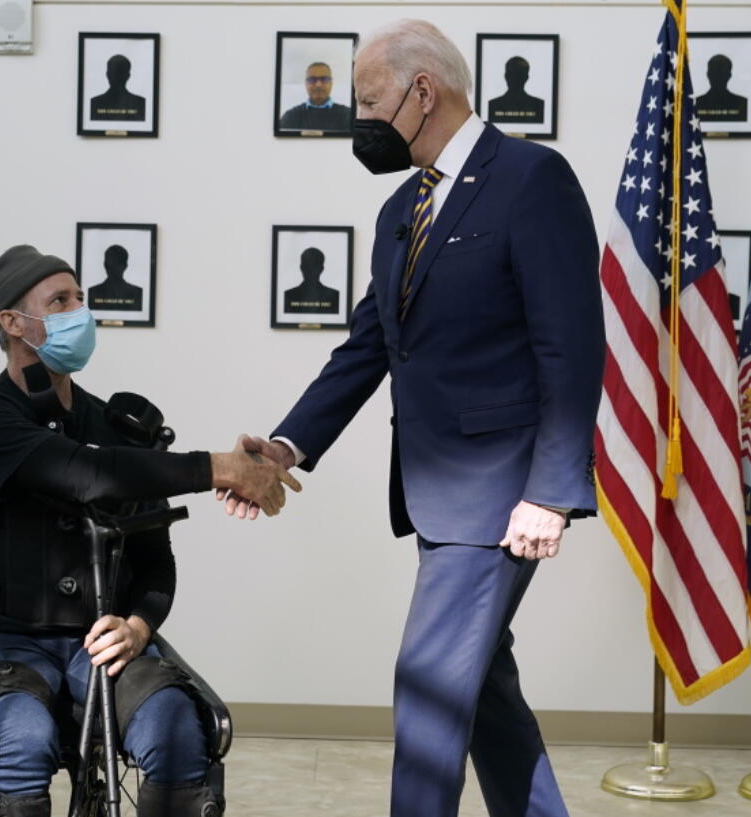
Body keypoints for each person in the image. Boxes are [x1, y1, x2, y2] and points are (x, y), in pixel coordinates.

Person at [225, 20, 603, 817]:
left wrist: (552, 491)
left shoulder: (533, 179)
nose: (358, 119)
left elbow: (571, 348)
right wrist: (286, 447)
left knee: (429, 686)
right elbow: (371, 343)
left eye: (368, 100)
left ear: (422, 91)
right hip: (435, 492)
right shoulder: (403, 205)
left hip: (500, 494)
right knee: (483, 688)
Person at [0, 244, 299, 817]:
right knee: (24, 738)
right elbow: (85, 474)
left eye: (81, 299)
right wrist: (220, 468)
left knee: (176, 724)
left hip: (99, 642)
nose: (80, 312)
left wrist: (137, 626)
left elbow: (156, 564)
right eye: (60, 301)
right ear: (12, 323)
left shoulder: (118, 429)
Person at [278, 61, 354, 132]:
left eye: (324, 79)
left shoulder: (349, 115)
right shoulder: (290, 117)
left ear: (331, 83)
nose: (318, 85)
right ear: (305, 83)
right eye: (312, 79)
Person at [487, 56, 545, 124]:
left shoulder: (539, 105)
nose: (515, 78)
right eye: (512, 74)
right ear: (506, 76)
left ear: (526, 78)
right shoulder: (492, 105)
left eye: (519, 74)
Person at [282, 247, 340, 314]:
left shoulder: (334, 296)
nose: (310, 270)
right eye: (307, 266)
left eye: (314, 266)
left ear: (321, 269)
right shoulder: (289, 296)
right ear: (301, 268)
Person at [87, 244, 144, 312]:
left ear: (125, 266)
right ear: (105, 265)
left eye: (116, 264)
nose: (112, 268)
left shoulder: (137, 293)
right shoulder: (93, 292)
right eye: (109, 263)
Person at [89, 55, 146, 121]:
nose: (116, 77)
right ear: (128, 76)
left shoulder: (94, 103)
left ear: (107, 74)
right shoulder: (140, 103)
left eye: (120, 73)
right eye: (114, 72)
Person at [696, 54, 748, 122]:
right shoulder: (696, 104)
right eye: (714, 72)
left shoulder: (742, 104)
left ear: (729, 76)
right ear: (708, 74)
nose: (717, 77)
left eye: (721, 73)